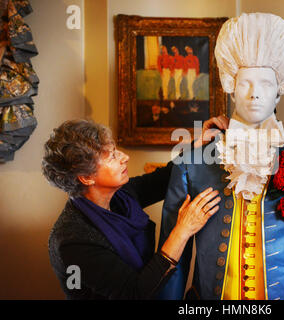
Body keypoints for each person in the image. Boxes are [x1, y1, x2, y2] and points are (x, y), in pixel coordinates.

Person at [158, 13, 284, 300]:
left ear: (280, 89)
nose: (255, 93)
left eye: (266, 83)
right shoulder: (191, 163)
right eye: (246, 82)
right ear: (231, 86)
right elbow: (175, 252)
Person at [43, 116, 229, 299]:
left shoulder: (121, 196)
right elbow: (135, 292)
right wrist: (182, 231)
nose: (125, 157)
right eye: (112, 156)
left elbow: (164, 179)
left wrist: (199, 143)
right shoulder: (72, 240)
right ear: (86, 177)